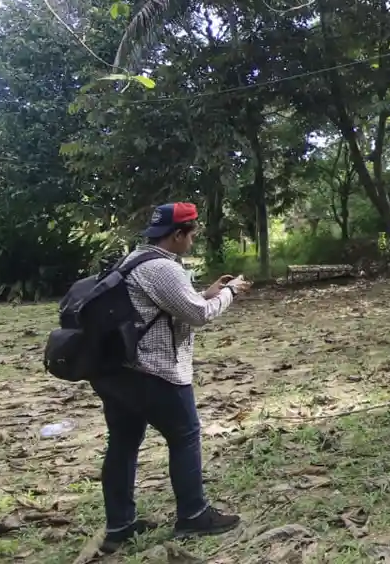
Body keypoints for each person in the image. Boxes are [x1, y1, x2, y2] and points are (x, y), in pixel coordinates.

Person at [90, 202, 251, 553]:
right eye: (191, 234)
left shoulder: (134, 259)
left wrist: (205, 292)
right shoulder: (164, 268)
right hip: (152, 370)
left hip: (116, 371)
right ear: (177, 234)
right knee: (186, 435)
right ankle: (193, 515)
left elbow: (171, 305)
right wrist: (230, 293)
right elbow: (198, 315)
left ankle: (120, 526)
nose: (193, 240)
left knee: (123, 443)